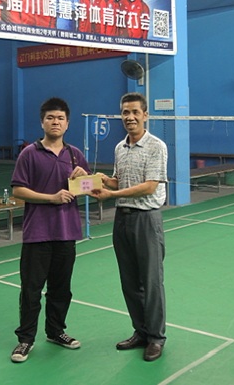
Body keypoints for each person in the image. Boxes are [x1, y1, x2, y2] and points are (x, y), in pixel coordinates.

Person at [10, 97, 91, 363]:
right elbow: (18, 190)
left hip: (67, 233)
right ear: (42, 122)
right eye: (50, 118)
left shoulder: (75, 154)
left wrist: (84, 179)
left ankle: (56, 332)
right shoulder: (29, 154)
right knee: (31, 289)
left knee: (61, 288)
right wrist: (51, 198)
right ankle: (25, 339)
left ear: (67, 124)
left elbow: (91, 189)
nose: (55, 122)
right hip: (38, 233)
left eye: (60, 118)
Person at [90, 92, 168, 362]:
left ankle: (156, 338)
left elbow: (149, 186)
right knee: (129, 282)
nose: (130, 117)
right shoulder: (119, 148)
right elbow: (119, 181)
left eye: (135, 112)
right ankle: (141, 331)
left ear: (145, 115)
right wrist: (102, 180)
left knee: (151, 282)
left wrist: (112, 194)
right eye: (125, 112)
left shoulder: (156, 146)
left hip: (146, 220)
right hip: (122, 220)